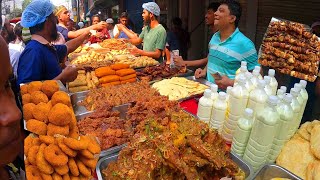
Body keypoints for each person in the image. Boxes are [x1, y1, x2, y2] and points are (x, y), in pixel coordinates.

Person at [18, 0, 89, 85]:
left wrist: (85, 35)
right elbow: (25, 90)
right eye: (54, 19)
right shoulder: (33, 51)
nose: (56, 23)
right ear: (48, 22)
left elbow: (67, 47)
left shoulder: (46, 47)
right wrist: (62, 78)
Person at [173, 2, 220, 68]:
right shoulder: (215, 36)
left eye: (209, 13)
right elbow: (210, 59)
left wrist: (184, 63)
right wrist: (203, 71)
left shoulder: (230, 38)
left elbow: (208, 60)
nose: (206, 16)